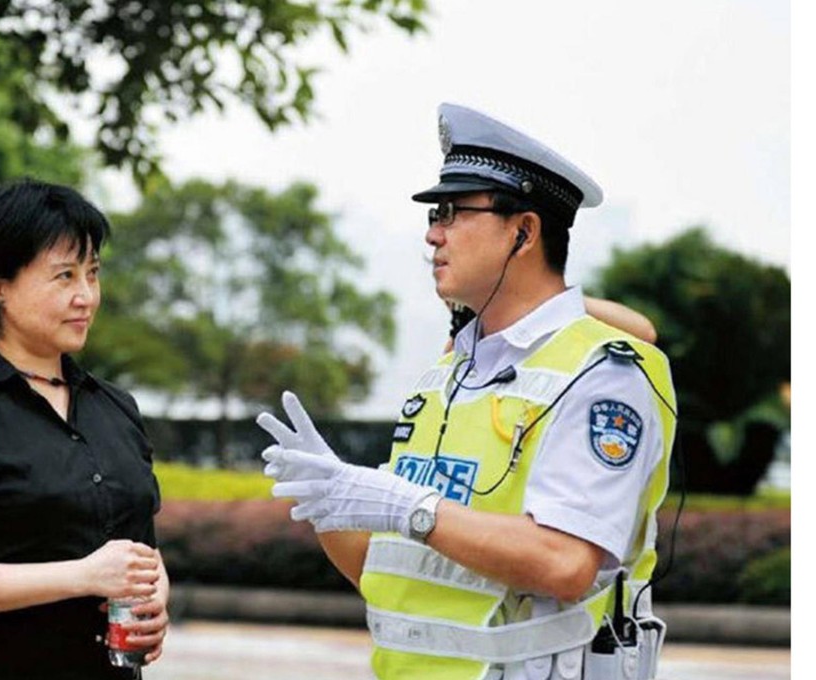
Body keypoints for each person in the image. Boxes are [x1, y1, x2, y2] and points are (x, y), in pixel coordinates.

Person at [257, 103, 676, 680]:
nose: (432, 234)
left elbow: (566, 562)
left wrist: (408, 505)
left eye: (453, 212)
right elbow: (394, 575)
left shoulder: (600, 374)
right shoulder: (446, 376)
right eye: (435, 214)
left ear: (524, 232)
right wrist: (332, 502)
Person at [0, 179, 169, 679]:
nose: (86, 296)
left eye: (93, 273)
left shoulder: (115, 408)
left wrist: (155, 598)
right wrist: (83, 576)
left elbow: (140, 549)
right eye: (63, 276)